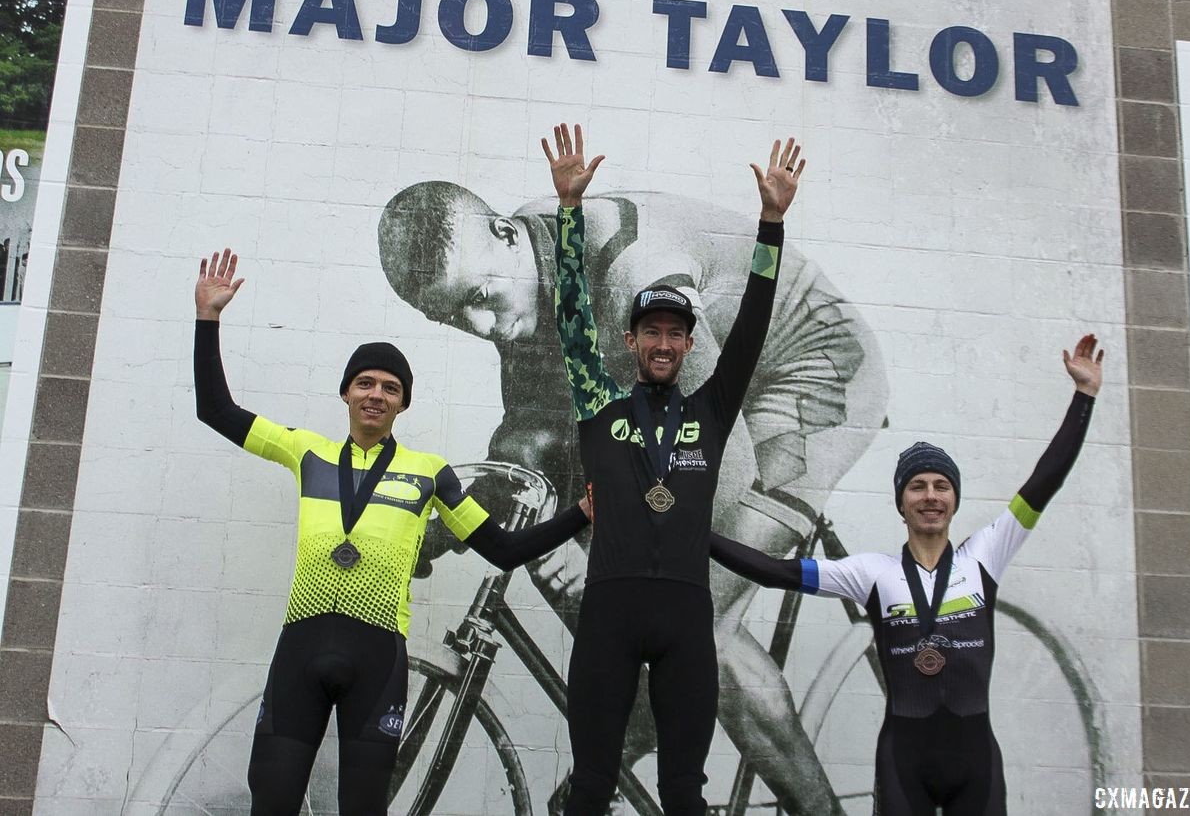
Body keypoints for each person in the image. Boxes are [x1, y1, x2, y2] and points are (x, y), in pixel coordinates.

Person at [379, 172, 885, 815]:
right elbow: (532, 439)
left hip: (806, 368)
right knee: (557, 555)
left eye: (479, 297)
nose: (482, 326)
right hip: (709, 375)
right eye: (452, 316)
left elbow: (711, 466)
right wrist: (439, 523)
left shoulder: (631, 275)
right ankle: (641, 714)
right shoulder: (526, 271)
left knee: (700, 622)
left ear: (506, 235)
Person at [192, 248, 592, 815]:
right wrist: (208, 319)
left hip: (378, 657)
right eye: (365, 383)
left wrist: (578, 514)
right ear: (347, 393)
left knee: (364, 807)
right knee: (274, 798)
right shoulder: (307, 452)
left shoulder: (430, 474)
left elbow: (503, 549)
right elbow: (215, 409)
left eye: (389, 387)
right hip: (302, 648)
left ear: (403, 402)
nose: (376, 393)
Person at [709, 334, 1104, 816]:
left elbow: (1045, 481)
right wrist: (698, 535)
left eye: (942, 486)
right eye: (917, 487)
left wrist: (1083, 396)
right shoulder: (872, 573)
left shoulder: (985, 556)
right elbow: (774, 571)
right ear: (901, 503)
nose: (931, 496)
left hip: (975, 763)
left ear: (954, 500)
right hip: (902, 765)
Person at [541, 122, 803, 814]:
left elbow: (751, 322)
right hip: (610, 616)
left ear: (689, 343)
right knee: (593, 784)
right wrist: (569, 211)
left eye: (674, 333)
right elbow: (571, 320)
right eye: (650, 331)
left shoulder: (710, 412)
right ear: (631, 340)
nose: (662, 343)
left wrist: (770, 224)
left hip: (685, 617)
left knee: (685, 790)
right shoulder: (600, 405)